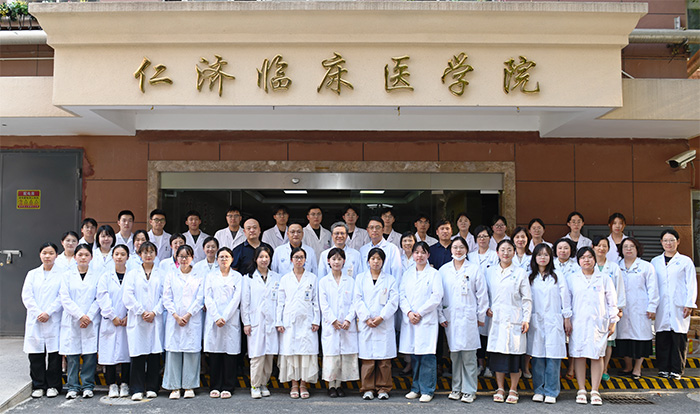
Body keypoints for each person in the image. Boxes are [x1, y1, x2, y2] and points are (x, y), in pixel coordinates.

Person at [438, 237, 488, 403]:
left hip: (469, 318)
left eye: (461, 247)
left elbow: (482, 295)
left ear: (466, 250)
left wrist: (481, 316)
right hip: (451, 318)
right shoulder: (444, 270)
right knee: (455, 355)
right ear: (451, 250)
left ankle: (469, 390)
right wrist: (440, 315)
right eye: (455, 247)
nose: (458, 250)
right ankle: (456, 388)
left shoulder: (474, 269)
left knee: (469, 356)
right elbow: (438, 295)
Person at [568, 247, 618, 406]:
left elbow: (612, 302)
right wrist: (567, 320)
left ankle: (595, 390)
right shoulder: (572, 278)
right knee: (579, 354)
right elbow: (567, 302)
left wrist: (613, 321)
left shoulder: (604, 278)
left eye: (590, 257)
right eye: (583, 257)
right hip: (578, 322)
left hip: (598, 322)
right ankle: (581, 389)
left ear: (595, 260)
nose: (586, 260)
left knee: (597, 355)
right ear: (578, 261)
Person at [485, 239, 531, 404]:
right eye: (503, 250)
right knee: (498, 355)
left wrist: (526, 319)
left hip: (515, 318)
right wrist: (486, 307)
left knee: (514, 356)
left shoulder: (520, 272)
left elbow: (527, 298)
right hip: (496, 318)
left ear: (514, 252)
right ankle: (500, 388)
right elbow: (484, 293)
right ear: (497, 252)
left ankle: (513, 389)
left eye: (509, 250)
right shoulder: (490, 272)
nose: (506, 253)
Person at [527, 244, 571, 404]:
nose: (543, 258)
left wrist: (567, 317)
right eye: (539, 255)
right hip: (536, 320)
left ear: (550, 257)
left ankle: (552, 391)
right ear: (535, 257)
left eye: (546, 255)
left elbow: (565, 297)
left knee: (553, 356)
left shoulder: (557, 276)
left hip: (554, 319)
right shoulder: (530, 277)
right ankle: (539, 390)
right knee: (537, 357)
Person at [400, 241, 444, 403]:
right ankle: (415, 388)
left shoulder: (434, 274)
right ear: (412, 255)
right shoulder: (407, 274)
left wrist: (419, 313)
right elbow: (401, 295)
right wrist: (409, 312)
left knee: (427, 356)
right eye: (416, 252)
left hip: (426, 319)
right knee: (414, 356)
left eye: (423, 252)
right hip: (411, 319)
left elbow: (436, 296)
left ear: (428, 255)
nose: (419, 255)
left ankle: (427, 389)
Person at [651, 229, 697, 380]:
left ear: (678, 242)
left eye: (672, 240)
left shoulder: (685, 261)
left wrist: (689, 303)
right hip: (661, 305)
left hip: (679, 304)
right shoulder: (655, 262)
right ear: (661, 242)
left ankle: (677, 369)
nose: (668, 243)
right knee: (662, 336)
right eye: (665, 240)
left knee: (678, 337)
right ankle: (663, 368)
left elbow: (691, 284)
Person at [354, 248, 399, 400]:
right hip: (367, 323)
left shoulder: (390, 280)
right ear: (368, 261)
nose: (376, 261)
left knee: (384, 361)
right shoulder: (360, 278)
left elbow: (393, 301)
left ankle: (383, 388)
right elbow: (357, 299)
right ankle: (367, 388)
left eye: (379, 259)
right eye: (373, 258)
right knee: (368, 360)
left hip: (383, 323)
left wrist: (381, 317)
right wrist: (366, 318)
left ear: (383, 261)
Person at [276, 247, 320, 399]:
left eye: (301, 257)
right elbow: (280, 302)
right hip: (290, 322)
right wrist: (279, 321)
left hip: (307, 321)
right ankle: (294, 384)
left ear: (305, 260)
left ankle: (303, 384)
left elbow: (316, 301)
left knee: (306, 353)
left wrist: (316, 320)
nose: (299, 260)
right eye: (296, 257)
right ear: (291, 260)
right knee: (292, 353)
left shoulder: (312, 278)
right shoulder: (285, 279)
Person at [123, 241, 165, 401]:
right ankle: (137, 388)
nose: (148, 255)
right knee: (137, 355)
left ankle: (153, 387)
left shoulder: (161, 274)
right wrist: (141, 311)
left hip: (155, 318)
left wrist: (154, 312)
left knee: (154, 354)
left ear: (156, 254)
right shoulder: (132, 274)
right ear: (139, 255)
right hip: (138, 319)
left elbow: (165, 296)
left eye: (151, 252)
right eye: (145, 252)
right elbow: (128, 296)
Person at [162, 245, 205, 399]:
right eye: (181, 256)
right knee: (173, 352)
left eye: (187, 256)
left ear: (192, 257)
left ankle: (189, 386)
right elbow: (166, 297)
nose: (184, 259)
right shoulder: (170, 275)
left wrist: (187, 315)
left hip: (192, 319)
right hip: (174, 319)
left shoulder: (199, 276)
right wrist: (175, 315)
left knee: (191, 353)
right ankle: (174, 387)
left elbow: (200, 298)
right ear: (177, 258)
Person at [22, 242, 63, 399]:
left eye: (51, 253)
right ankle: (38, 385)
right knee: (35, 355)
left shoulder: (62, 274)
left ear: (56, 256)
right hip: (36, 319)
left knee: (54, 355)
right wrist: (39, 313)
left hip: (54, 318)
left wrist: (49, 312)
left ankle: (53, 385)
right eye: (44, 253)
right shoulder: (32, 274)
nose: (47, 256)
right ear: (40, 255)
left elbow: (62, 296)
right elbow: (27, 296)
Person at [59, 244, 101, 399]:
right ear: (75, 257)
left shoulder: (98, 275)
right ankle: (73, 386)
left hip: (90, 320)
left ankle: (88, 386)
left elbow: (99, 298)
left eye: (86, 255)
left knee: (90, 355)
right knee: (72, 355)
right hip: (73, 319)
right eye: (80, 255)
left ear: (91, 257)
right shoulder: (67, 276)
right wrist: (80, 316)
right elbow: (65, 298)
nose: (83, 258)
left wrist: (88, 316)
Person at [318, 248, 359, 398]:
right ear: (328, 261)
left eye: (339, 259)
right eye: (333, 259)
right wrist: (333, 320)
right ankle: (331, 385)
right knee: (332, 356)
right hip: (331, 325)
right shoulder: (323, 282)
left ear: (344, 261)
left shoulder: (351, 281)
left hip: (347, 325)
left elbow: (355, 302)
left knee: (343, 356)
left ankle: (339, 384)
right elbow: (323, 304)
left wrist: (348, 319)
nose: (336, 262)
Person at [616, 238, 659, 379]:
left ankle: (637, 368)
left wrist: (652, 306)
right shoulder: (616, 266)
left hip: (641, 307)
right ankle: (628, 366)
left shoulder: (646, 266)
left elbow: (653, 288)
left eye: (632, 246)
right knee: (624, 338)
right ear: (621, 250)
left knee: (640, 338)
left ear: (637, 249)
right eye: (625, 246)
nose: (628, 249)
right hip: (622, 308)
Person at [204, 247, 243, 399]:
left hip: (230, 319)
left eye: (227, 257)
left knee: (229, 355)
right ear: (217, 259)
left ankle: (228, 386)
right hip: (214, 319)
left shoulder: (237, 276)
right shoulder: (210, 276)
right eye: (221, 257)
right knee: (215, 355)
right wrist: (216, 317)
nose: (224, 259)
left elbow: (236, 298)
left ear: (232, 259)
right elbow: (207, 297)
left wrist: (225, 317)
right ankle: (215, 386)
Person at [242, 245, 280, 399]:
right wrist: (246, 322)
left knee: (269, 355)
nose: (264, 260)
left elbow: (280, 302)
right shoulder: (248, 278)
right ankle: (255, 385)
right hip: (255, 322)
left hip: (271, 322)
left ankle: (264, 383)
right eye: (261, 257)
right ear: (255, 259)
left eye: (266, 257)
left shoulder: (276, 278)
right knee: (257, 356)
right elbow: (245, 302)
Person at [96, 244, 131, 398]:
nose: (119, 257)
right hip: (110, 321)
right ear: (112, 257)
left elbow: (135, 296)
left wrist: (129, 315)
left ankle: (125, 384)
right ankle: (112, 384)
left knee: (127, 353)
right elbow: (102, 297)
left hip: (128, 320)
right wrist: (113, 316)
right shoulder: (105, 277)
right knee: (109, 354)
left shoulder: (132, 275)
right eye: (116, 254)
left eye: (122, 254)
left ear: (127, 257)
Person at [591, 236, 626, 382]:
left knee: (608, 340)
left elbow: (620, 288)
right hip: (592, 309)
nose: (601, 248)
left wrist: (619, 308)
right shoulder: (588, 265)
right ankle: (592, 369)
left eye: (604, 246)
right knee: (593, 339)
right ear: (593, 247)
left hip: (610, 309)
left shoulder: (614, 267)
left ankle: (604, 369)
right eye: (598, 245)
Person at [467, 225, 498, 378]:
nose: (482, 239)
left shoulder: (495, 255)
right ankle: (480, 364)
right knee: (477, 335)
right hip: (473, 299)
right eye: (479, 236)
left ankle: (490, 366)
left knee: (490, 335)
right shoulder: (470, 256)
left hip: (491, 298)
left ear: (490, 238)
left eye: (485, 236)